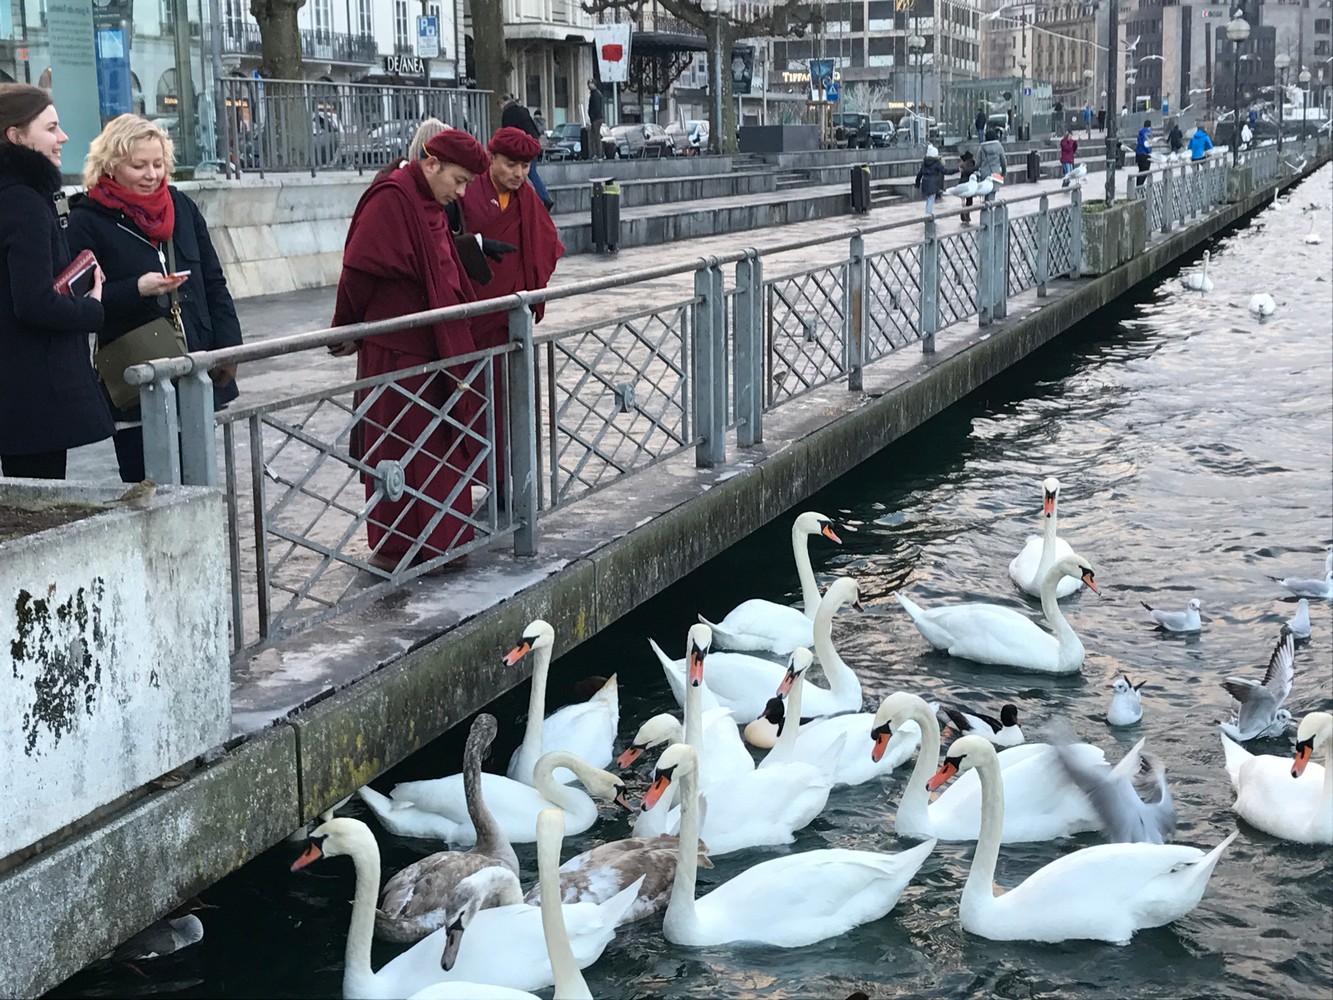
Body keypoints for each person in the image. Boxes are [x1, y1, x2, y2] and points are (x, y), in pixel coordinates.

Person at [328, 129, 491, 574]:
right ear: (431, 163)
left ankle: (446, 539)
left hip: (435, 349)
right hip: (397, 352)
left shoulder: (428, 201)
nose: (460, 193)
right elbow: (358, 271)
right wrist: (346, 326)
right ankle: (402, 546)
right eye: (458, 181)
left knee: (441, 447)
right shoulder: (392, 197)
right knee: (401, 447)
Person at [68, 114, 242, 483]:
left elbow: (214, 282)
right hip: (136, 374)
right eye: (139, 166)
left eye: (158, 164)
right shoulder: (86, 220)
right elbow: (79, 302)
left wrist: (229, 347)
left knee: (199, 481)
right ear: (111, 165)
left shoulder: (181, 207)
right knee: (147, 485)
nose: (151, 174)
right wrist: (136, 289)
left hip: (195, 366)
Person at [0, 84, 112, 479]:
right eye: (50, 128)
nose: (63, 137)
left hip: (16, 391)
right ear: (16, 135)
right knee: (37, 505)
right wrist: (91, 308)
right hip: (31, 393)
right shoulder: (23, 201)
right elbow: (33, 302)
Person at [460, 127, 565, 499]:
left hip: (512, 321)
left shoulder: (528, 199)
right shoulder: (468, 193)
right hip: (473, 317)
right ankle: (479, 478)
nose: (519, 174)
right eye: (510, 164)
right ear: (491, 158)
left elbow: (546, 245)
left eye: (525, 166)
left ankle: (513, 479)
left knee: (514, 402)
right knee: (475, 401)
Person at [499, 96, 553, 210]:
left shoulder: (507, 113)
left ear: (503, 103)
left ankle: (538, 199)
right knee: (531, 172)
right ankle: (544, 197)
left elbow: (506, 133)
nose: (501, 108)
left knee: (522, 173)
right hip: (533, 142)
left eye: (501, 105)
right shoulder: (523, 110)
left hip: (522, 146)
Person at [912, 143, 955, 217]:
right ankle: (928, 214)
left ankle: (928, 213)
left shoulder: (925, 163)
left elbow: (919, 174)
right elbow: (945, 171)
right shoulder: (936, 163)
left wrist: (917, 184)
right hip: (933, 183)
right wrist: (956, 170)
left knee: (929, 199)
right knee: (931, 199)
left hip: (925, 183)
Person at [976, 127, 1007, 203]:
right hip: (995, 173)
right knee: (992, 193)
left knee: (986, 192)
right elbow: (1003, 161)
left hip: (984, 174)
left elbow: (978, 162)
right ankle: (990, 208)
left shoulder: (982, 147)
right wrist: (1003, 172)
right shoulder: (999, 146)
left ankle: (986, 206)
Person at [957, 150, 976, 225]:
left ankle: (963, 213)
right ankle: (966, 214)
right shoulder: (971, 165)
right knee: (969, 201)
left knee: (963, 200)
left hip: (961, 183)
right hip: (968, 184)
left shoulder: (963, 165)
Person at [586, 80, 605, 160]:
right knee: (595, 136)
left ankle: (599, 154)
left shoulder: (596, 94)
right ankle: (597, 153)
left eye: (590, 84)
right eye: (588, 84)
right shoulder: (594, 94)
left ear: (594, 84)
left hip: (596, 118)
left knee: (596, 137)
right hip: (595, 118)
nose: (589, 86)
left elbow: (596, 107)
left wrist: (592, 116)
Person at [1135, 118, 1152, 187]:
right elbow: (1146, 144)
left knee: (1140, 171)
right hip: (1145, 155)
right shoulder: (1148, 133)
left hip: (1139, 154)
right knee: (1145, 171)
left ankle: (1138, 186)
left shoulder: (1140, 133)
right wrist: (1149, 150)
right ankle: (1140, 186)